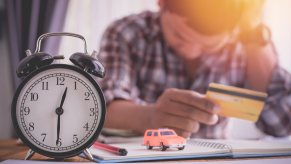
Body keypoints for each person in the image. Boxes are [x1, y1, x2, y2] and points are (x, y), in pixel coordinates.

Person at [98, 0, 291, 139]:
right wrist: (151, 117)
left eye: (209, 47)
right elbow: (103, 110)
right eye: (179, 37)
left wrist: (254, 34)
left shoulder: (244, 41)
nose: (191, 52)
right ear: (162, 3)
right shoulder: (127, 32)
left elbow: (281, 124)